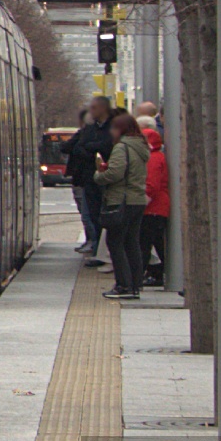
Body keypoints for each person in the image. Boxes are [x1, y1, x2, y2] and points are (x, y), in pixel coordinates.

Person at [95, 113, 150, 300]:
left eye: (114, 128)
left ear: (121, 129)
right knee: (132, 243)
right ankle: (135, 284)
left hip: (121, 200)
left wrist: (99, 175)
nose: (111, 132)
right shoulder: (140, 147)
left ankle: (124, 285)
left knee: (115, 242)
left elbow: (115, 174)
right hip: (137, 200)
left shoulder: (121, 148)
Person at [64, 97, 114, 265]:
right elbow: (78, 146)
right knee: (93, 215)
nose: (91, 111)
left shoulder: (112, 127)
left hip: (104, 179)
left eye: (94, 108)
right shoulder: (91, 128)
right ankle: (98, 250)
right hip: (89, 179)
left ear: (102, 108)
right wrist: (90, 149)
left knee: (103, 216)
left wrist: (89, 148)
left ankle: (103, 252)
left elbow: (106, 146)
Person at [139, 120, 169, 287]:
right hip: (158, 207)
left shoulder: (152, 159)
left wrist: (140, 204)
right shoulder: (157, 157)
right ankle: (156, 274)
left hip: (153, 208)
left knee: (145, 243)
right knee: (154, 242)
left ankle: (142, 275)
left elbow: (151, 185)